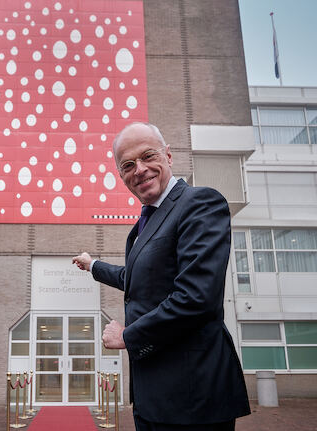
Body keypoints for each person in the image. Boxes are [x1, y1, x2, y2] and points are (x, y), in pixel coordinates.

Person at [73, 122, 250, 430]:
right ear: (122, 176)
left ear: (168, 156)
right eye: (128, 165)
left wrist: (128, 336)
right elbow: (136, 280)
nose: (139, 169)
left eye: (147, 156)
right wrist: (93, 265)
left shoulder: (199, 203)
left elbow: (196, 298)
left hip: (192, 398)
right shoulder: (143, 225)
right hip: (152, 397)